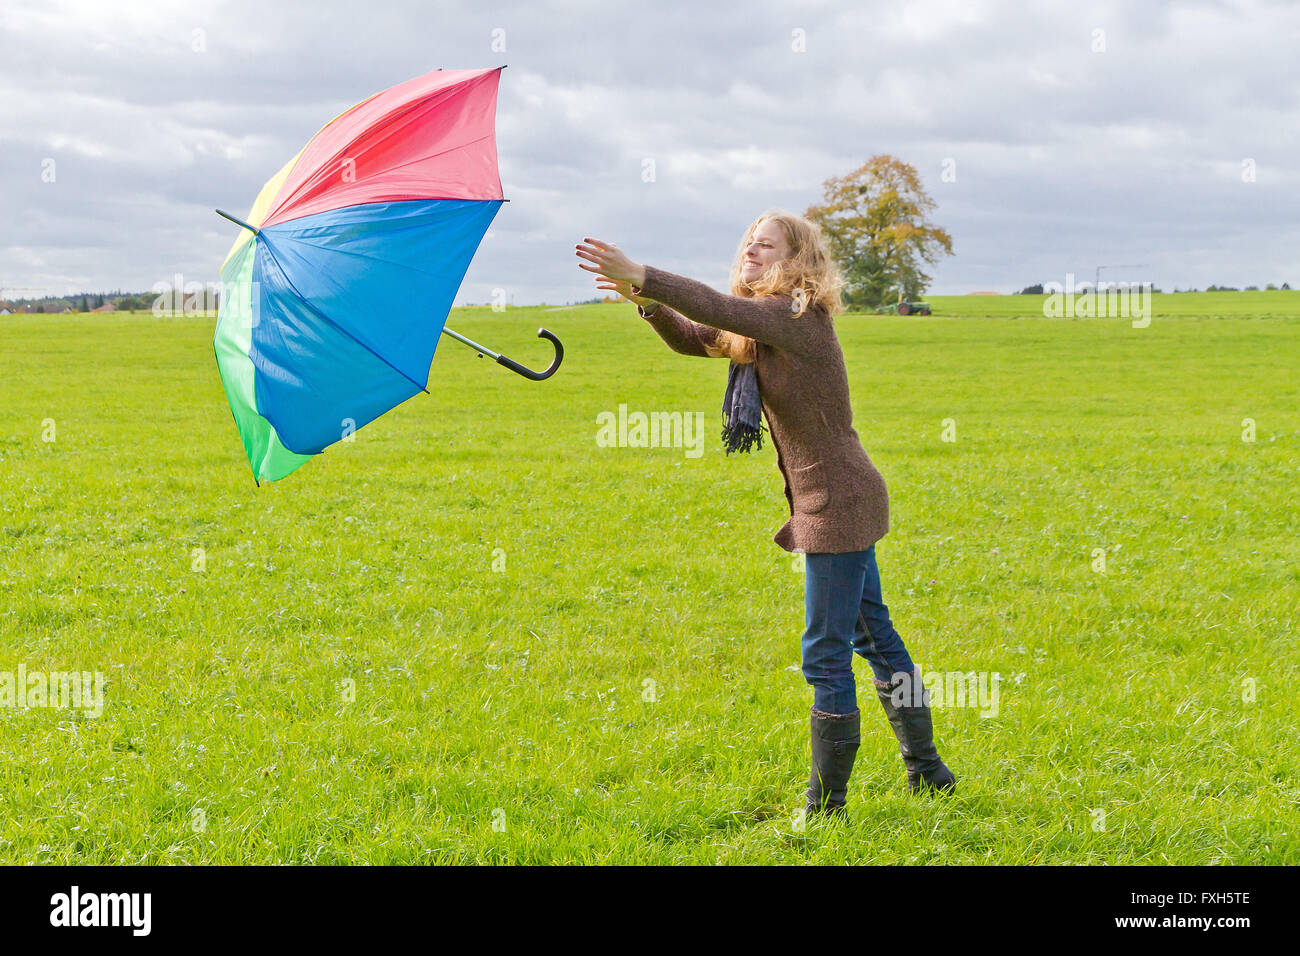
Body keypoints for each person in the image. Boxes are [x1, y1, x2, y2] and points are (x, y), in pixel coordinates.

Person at [575, 211, 955, 820]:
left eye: (766, 245)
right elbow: (696, 333)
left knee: (825, 655)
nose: (751, 251)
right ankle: (930, 772)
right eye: (748, 243)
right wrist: (640, 299)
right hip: (837, 500)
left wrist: (643, 272)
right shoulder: (763, 330)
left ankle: (827, 808)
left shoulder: (796, 315)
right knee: (874, 637)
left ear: (794, 258)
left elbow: (717, 309)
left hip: (837, 506)